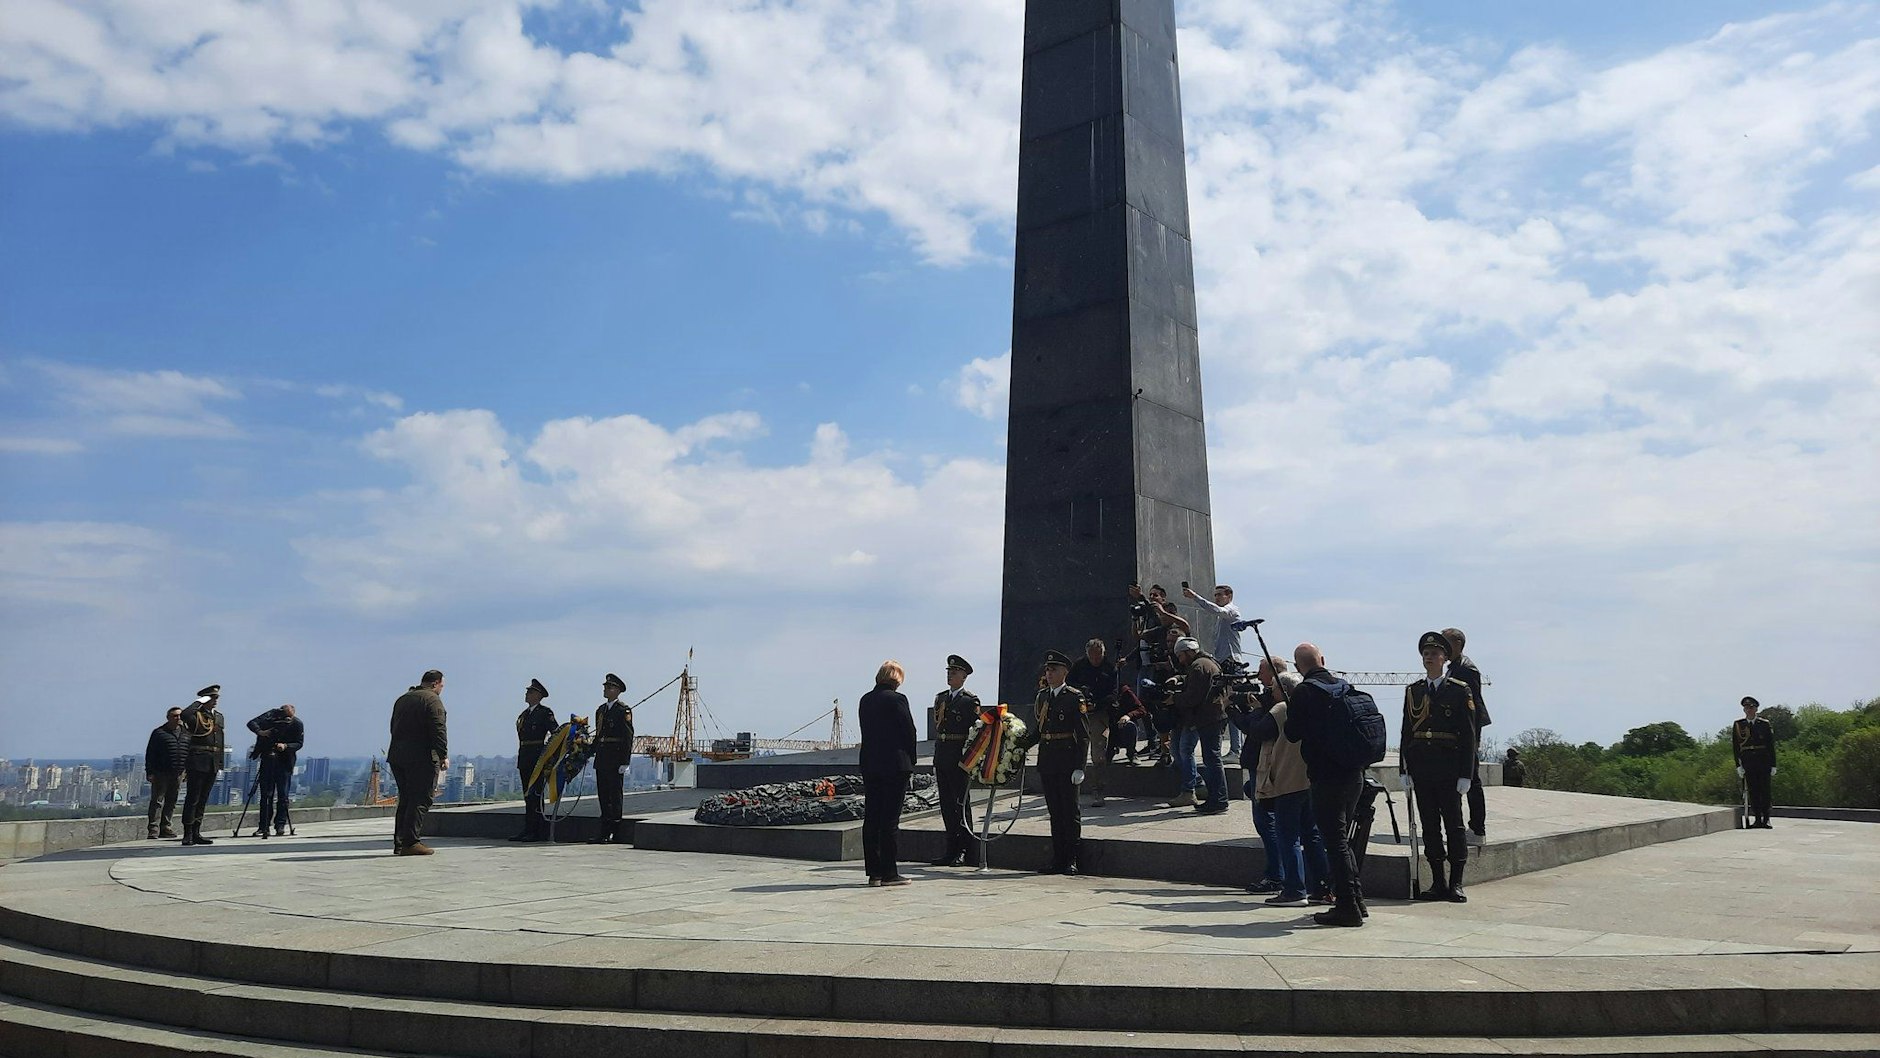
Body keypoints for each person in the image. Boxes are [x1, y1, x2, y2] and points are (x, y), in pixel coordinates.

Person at [1283, 643, 1367, 927]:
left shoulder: (1305, 692)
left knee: (1336, 842)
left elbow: (1292, 733)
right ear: (1323, 660)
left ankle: (1347, 907)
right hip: (1354, 774)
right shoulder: (1343, 686)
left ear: (1298, 667)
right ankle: (1357, 901)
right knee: (1343, 840)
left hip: (1326, 776)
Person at [1234, 661, 1325, 905]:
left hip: (1286, 781)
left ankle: (1294, 889)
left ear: (1283, 690)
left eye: (1273, 689)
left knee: (1288, 836)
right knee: (1312, 835)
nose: (1269, 694)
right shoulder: (1312, 706)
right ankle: (1322, 888)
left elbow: (1258, 731)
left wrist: (1249, 711)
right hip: (1308, 780)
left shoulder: (1282, 708)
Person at [1401, 632, 1477, 902]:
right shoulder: (1414, 691)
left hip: (1448, 767)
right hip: (1422, 767)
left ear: (1445, 658)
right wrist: (1404, 769)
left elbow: (1469, 736)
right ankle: (1437, 882)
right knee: (1429, 826)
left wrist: (1465, 774)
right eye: (1426, 653)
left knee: (1454, 826)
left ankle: (1456, 882)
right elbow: (1406, 733)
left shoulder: (1458, 690)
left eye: (1434, 653)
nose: (1429, 657)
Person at [858, 660, 917, 886]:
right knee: (890, 821)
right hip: (895, 765)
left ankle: (874, 873)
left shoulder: (866, 700)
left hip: (871, 764)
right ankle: (890, 873)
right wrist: (911, 760)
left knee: (872, 818)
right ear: (897, 679)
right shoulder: (897, 700)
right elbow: (909, 732)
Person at [1032, 650, 1090, 874]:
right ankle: (1058, 858)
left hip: (1067, 761)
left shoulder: (1074, 697)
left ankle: (1071, 859)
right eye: (1047, 670)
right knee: (1055, 812)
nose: (1049, 674)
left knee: (1070, 811)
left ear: (1065, 672)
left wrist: (1080, 767)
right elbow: (1038, 731)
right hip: (1048, 761)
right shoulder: (1042, 697)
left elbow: (1083, 735)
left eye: (1054, 670)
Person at [388, 669, 448, 856]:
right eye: (442, 686)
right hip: (422, 757)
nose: (441, 690)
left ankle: (400, 842)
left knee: (405, 799)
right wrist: (443, 755)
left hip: (398, 756)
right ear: (435, 684)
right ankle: (411, 842)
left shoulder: (403, 699)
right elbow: (438, 729)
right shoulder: (432, 700)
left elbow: (393, 727)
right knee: (420, 798)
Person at [929, 655, 982, 867]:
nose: (950, 675)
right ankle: (951, 849)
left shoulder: (970, 701)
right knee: (946, 806)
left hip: (959, 759)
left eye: (954, 672)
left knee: (960, 805)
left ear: (964, 676)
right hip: (942, 757)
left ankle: (965, 850)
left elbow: (976, 732)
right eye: (948, 671)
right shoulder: (941, 698)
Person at [1442, 627, 1493, 839]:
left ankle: (1477, 828)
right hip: (1458, 731)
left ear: (1458, 645)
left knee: (1471, 779)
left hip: (1467, 732)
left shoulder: (1466, 669)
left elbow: (1472, 705)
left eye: (1446, 643)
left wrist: (1472, 737)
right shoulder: (1454, 667)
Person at [1183, 584, 1244, 759]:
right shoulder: (1222, 617)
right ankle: (1235, 748)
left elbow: (1215, 609)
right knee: (1225, 704)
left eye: (1219, 595)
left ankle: (1236, 749)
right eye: (1215, 595)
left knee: (1232, 704)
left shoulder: (1231, 611)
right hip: (1223, 662)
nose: (1217, 598)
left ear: (1229, 596)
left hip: (1231, 663)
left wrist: (1195, 597)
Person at [1171, 638, 1230, 815]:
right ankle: (1216, 798)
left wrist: (1173, 699)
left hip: (1208, 718)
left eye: (1180, 656)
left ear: (1188, 652)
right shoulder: (1208, 662)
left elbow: (1193, 697)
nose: (1180, 660)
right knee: (1212, 759)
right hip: (1214, 716)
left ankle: (1218, 800)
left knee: (1212, 760)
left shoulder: (1198, 667)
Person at [1067, 639, 1119, 807]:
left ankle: (1098, 790)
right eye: (1092, 656)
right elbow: (1068, 685)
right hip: (1079, 713)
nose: (1095, 659)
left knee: (1098, 753)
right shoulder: (1079, 666)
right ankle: (1072, 787)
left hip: (1099, 713)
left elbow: (1114, 692)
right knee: (1074, 750)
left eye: (1099, 656)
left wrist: (1098, 703)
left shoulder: (1110, 668)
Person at [246, 704, 304, 838]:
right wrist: (261, 732)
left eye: (290, 718)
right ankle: (263, 826)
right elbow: (251, 723)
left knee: (283, 795)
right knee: (266, 795)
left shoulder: (297, 724)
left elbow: (299, 743)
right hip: (267, 759)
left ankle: (280, 825)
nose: (287, 721)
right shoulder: (270, 717)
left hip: (285, 761)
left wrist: (286, 746)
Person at [588, 673, 634, 844]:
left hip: (615, 759)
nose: (605, 690)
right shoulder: (600, 711)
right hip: (602, 758)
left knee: (614, 796)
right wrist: (587, 752)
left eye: (609, 687)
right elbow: (598, 736)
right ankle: (604, 830)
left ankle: (614, 831)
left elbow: (628, 736)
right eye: (605, 687)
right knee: (603, 795)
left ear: (617, 690)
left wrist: (625, 761)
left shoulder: (623, 710)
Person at [178, 685, 225, 846]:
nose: (215, 701)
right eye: (212, 698)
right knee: (193, 798)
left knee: (203, 799)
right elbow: (184, 714)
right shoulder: (195, 715)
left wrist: (220, 763)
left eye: (216, 698)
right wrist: (199, 701)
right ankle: (188, 833)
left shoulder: (218, 717)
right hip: (198, 760)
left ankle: (197, 831)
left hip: (212, 761)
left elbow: (220, 741)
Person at [511, 678, 556, 842]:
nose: (527, 694)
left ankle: (537, 831)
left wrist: (547, 754)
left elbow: (555, 733)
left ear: (537, 695)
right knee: (527, 795)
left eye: (530, 692)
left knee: (536, 795)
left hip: (537, 758)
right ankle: (528, 828)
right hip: (525, 757)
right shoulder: (524, 715)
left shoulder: (545, 713)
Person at [144, 706, 189, 840]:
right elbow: (150, 753)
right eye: (175, 716)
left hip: (179, 772)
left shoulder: (186, 733)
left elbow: (189, 752)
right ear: (168, 717)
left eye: (180, 716)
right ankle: (153, 829)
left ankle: (166, 827)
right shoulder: (159, 733)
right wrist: (150, 772)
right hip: (161, 772)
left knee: (172, 801)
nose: (178, 718)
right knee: (157, 801)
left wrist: (187, 771)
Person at [1733, 696, 1778, 829]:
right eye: (1746, 708)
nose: (1748, 710)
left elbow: (1770, 745)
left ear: (1756, 709)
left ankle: (1766, 819)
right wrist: (1738, 765)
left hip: (1763, 761)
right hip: (1748, 762)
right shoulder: (1738, 725)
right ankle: (1757, 818)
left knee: (1765, 791)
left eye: (1751, 708)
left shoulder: (1764, 724)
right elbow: (1735, 747)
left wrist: (1773, 764)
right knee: (1753, 791)